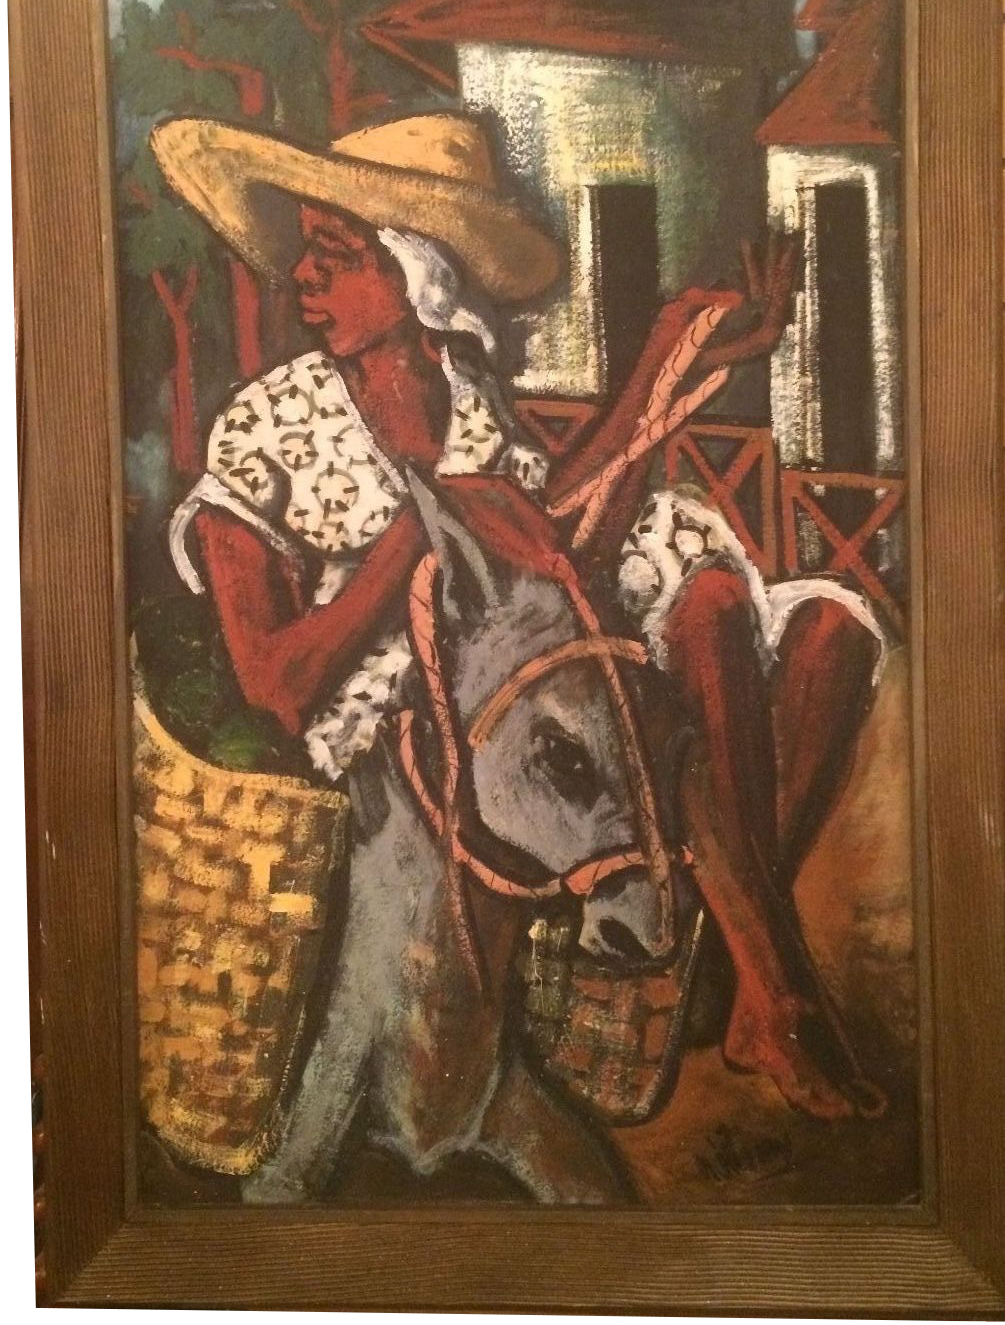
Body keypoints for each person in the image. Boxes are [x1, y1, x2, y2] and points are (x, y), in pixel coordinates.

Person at [152, 110, 884, 1121]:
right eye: (310, 253)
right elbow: (275, 689)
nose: (302, 280)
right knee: (683, 637)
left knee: (820, 629)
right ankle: (767, 981)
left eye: (335, 253)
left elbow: (555, 546)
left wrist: (676, 363)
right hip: (413, 698)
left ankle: (739, 960)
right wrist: (422, 520)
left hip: (520, 641)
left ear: (417, 274)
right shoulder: (268, 424)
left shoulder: (468, 396)